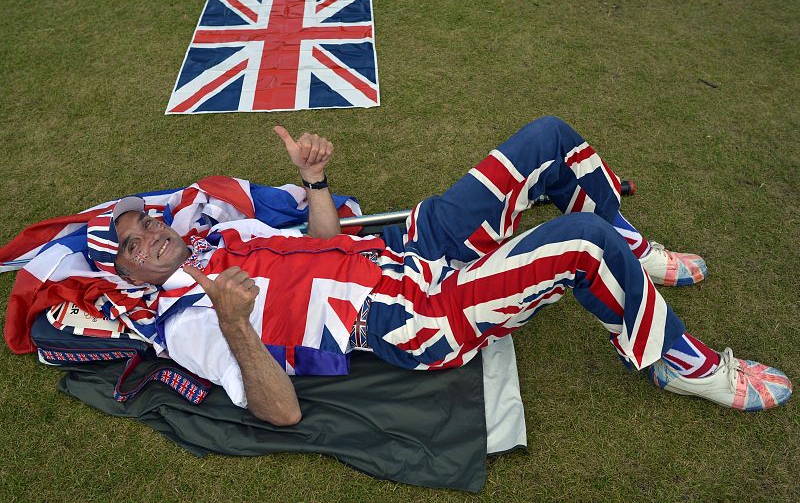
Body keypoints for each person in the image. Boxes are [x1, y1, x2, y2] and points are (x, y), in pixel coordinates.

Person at [87, 117, 792, 426]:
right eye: (128, 242)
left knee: (548, 140)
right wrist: (239, 327)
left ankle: (630, 251)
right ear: (121, 275)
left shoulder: (226, 237)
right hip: (409, 316)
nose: (148, 232)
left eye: (146, 221)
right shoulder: (185, 320)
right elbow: (280, 408)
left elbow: (325, 242)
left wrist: (317, 181)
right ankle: (679, 361)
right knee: (575, 242)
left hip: (403, 248)